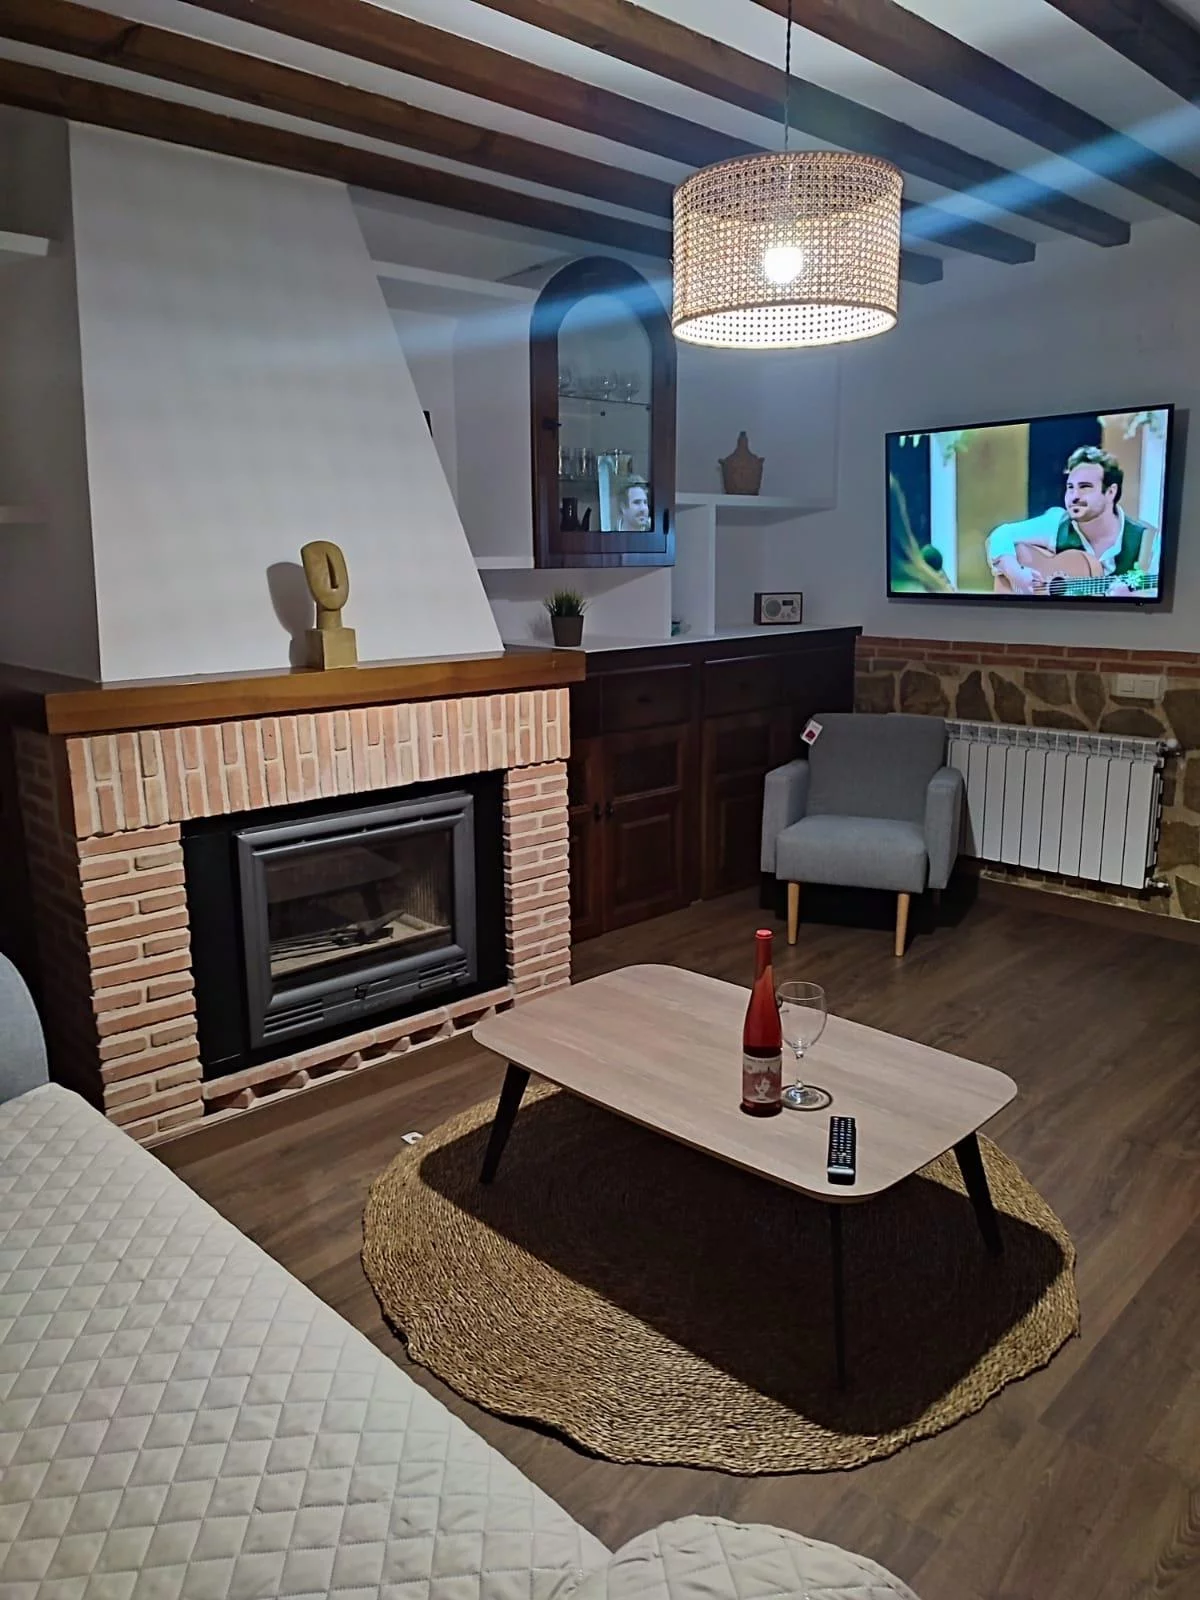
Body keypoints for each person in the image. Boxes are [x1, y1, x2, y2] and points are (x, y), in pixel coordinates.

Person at [986, 447, 1157, 596]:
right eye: (1070, 487)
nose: (1074, 496)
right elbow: (1000, 535)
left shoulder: (1147, 542)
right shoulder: (1057, 524)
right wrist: (1018, 575)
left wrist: (1136, 596)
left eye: (1085, 487)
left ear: (1111, 492)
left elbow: (1159, 595)